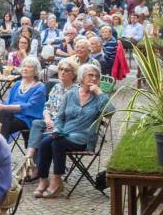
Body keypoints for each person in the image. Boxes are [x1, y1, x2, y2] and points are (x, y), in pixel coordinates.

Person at [35, 65, 113, 198]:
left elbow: (110, 111)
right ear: (82, 78)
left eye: (97, 76)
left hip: (84, 138)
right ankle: (43, 180)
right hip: (64, 134)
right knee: (45, 142)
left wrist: (99, 93)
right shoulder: (70, 94)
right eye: (90, 75)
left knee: (57, 142)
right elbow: (60, 117)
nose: (94, 79)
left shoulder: (99, 97)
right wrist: (58, 129)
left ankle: (57, 180)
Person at [25, 58, 78, 182]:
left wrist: (55, 123)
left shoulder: (76, 91)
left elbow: (72, 114)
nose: (62, 72)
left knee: (43, 136)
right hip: (50, 121)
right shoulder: (56, 87)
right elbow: (47, 106)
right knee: (36, 123)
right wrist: (48, 118)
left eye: (66, 70)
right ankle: (29, 157)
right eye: (60, 69)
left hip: (64, 126)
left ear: (73, 74)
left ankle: (37, 169)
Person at [0, 57, 46, 139]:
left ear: (36, 71)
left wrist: (6, 107)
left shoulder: (40, 87)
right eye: (24, 66)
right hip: (10, 115)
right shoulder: (17, 84)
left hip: (27, 118)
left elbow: (30, 107)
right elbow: (7, 101)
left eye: (29, 67)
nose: (25, 69)